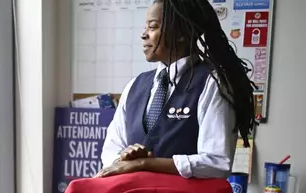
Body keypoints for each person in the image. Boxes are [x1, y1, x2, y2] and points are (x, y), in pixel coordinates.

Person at [96, 0, 256, 179]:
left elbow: (217, 162)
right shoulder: (135, 86)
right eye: (146, 27)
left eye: (153, 26)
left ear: (180, 33)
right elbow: (110, 153)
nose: (144, 34)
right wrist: (124, 159)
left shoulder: (212, 83)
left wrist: (145, 163)